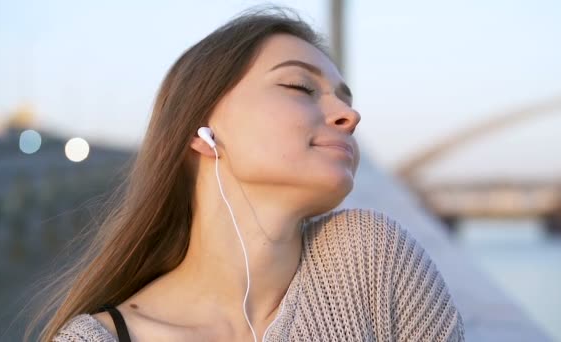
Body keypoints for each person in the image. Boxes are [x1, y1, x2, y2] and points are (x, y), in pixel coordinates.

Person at [29, 6, 465, 342]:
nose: (349, 114)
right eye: (300, 87)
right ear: (201, 130)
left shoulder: (368, 260)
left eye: (343, 98)